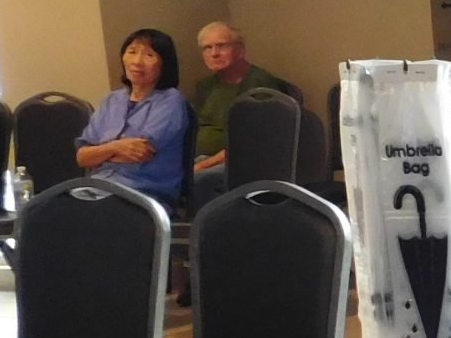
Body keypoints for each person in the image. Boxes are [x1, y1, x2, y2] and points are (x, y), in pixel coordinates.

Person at [77, 27, 192, 203]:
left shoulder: (171, 99)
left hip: (144, 193)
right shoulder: (111, 100)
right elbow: (82, 157)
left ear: (164, 64)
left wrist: (99, 153)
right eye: (132, 52)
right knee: (47, 208)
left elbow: (140, 152)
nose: (137, 61)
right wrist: (116, 147)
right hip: (97, 188)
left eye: (149, 55)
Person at [188, 21, 295, 199]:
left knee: (199, 180)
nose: (214, 53)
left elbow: (251, 143)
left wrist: (201, 165)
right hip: (200, 159)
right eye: (207, 48)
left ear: (240, 50)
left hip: (239, 162)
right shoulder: (204, 86)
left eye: (221, 46)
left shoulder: (259, 83)